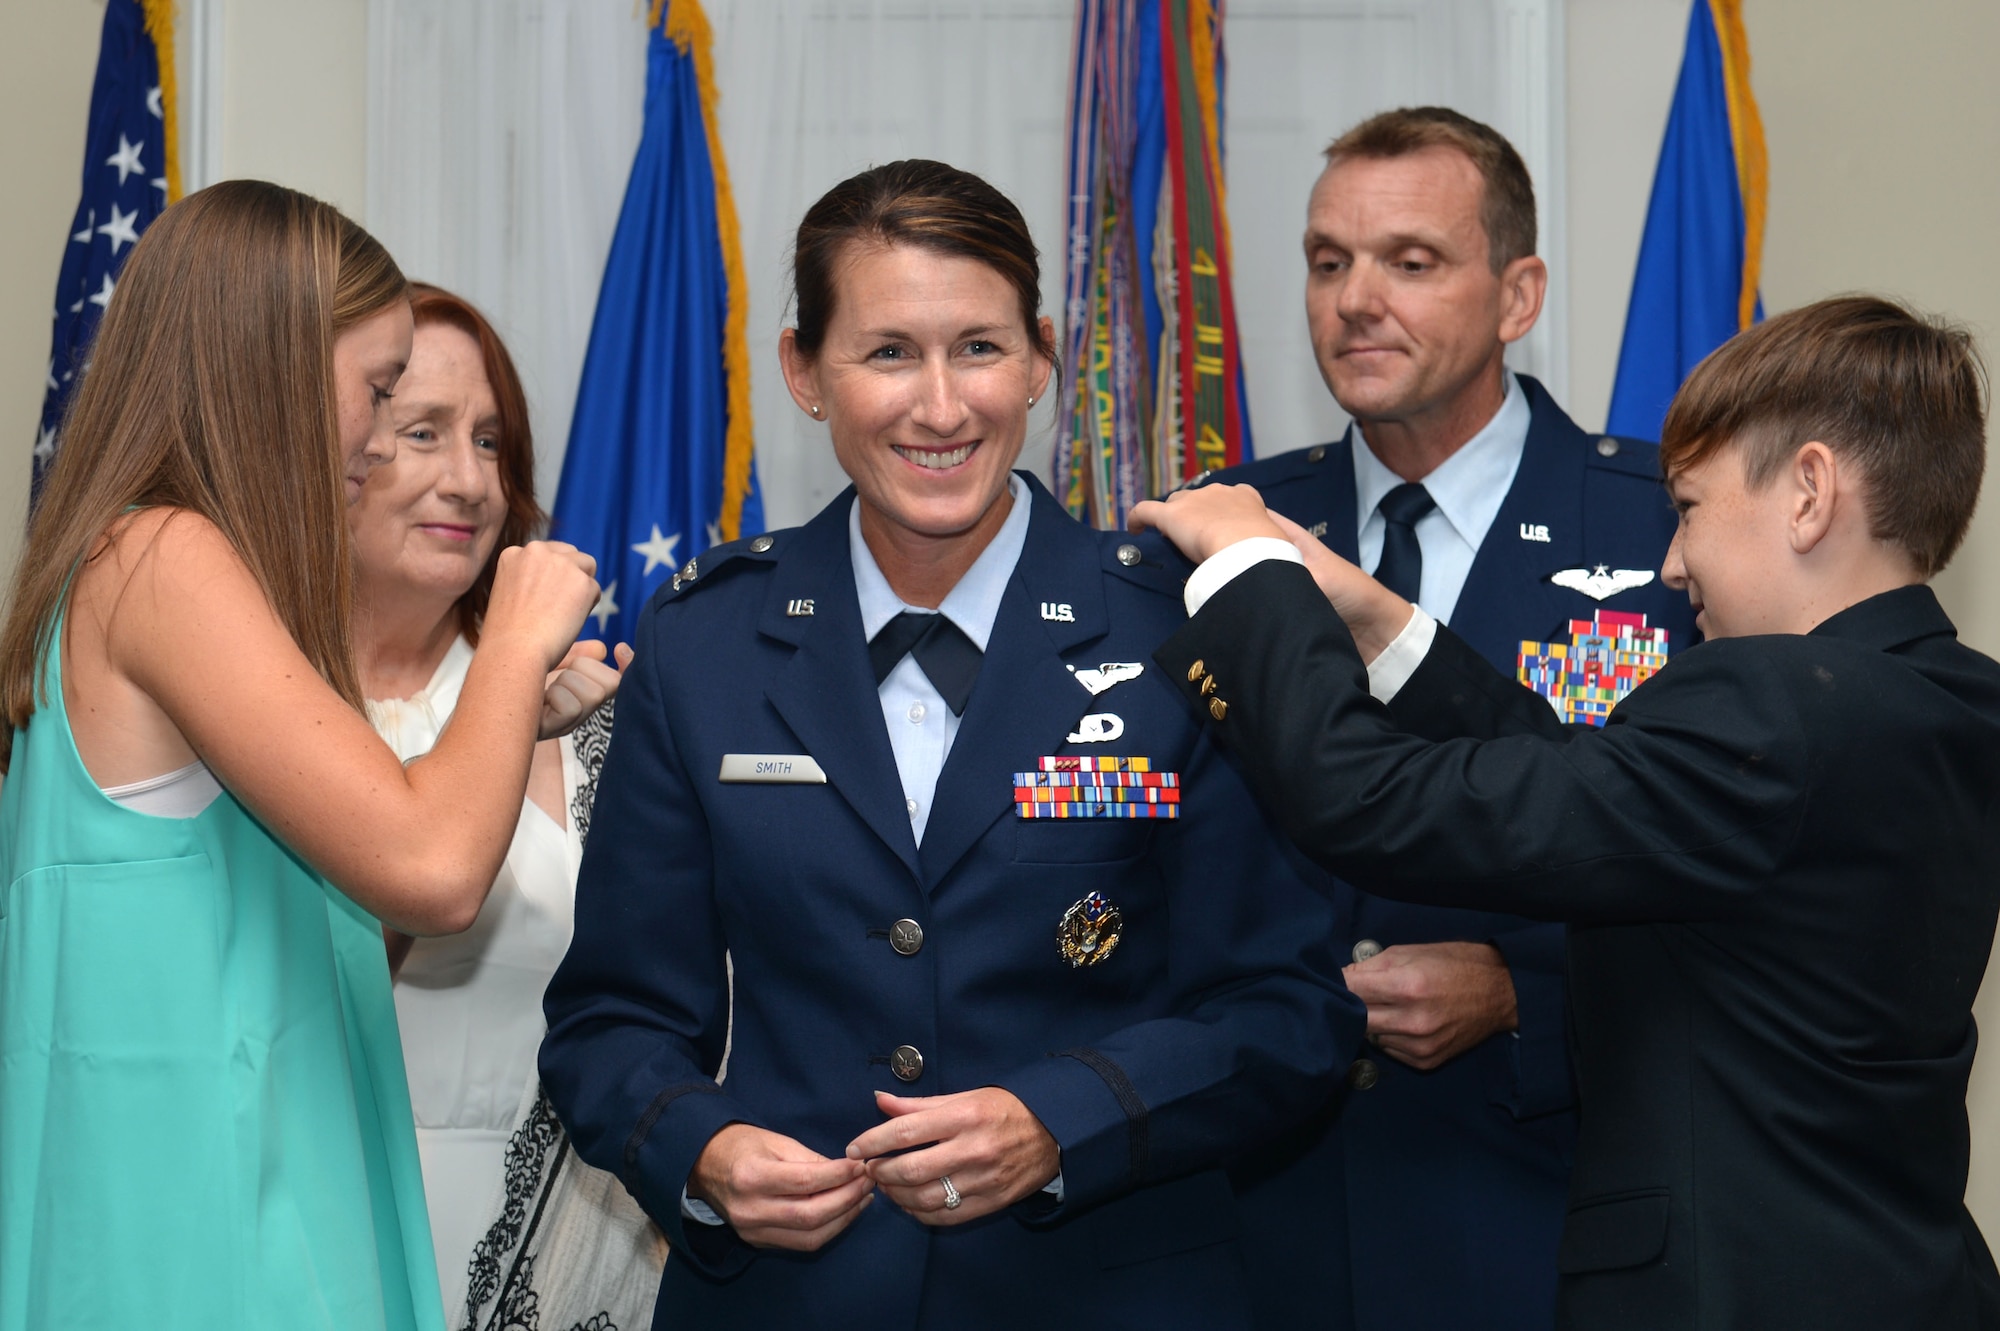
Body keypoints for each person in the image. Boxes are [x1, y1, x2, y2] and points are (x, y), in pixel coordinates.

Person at [538, 158, 1359, 1331]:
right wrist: (702, 1148)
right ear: (803, 373)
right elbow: (610, 1021)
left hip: (1099, 1289)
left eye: (976, 348)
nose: (938, 406)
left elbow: (1291, 1011)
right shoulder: (705, 643)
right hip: (788, 1301)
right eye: (886, 353)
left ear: (1039, 358)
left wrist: (1062, 1119)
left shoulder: (1185, 629)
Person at [1133, 295, 2000, 1328]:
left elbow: (1363, 800)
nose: (1670, 564)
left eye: (1684, 507)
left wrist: (1246, 571)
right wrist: (1382, 623)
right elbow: (1599, 795)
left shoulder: (1767, 699)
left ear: (1807, 493)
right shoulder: (1945, 698)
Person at [0, 180, 605, 1331]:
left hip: (230, 1208)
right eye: (378, 391)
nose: (380, 440)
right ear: (272, 363)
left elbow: (324, 945)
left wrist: (494, 730)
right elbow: (433, 866)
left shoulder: (142, 562)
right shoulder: (165, 555)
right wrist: (516, 638)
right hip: (204, 1232)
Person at [1195, 106, 1695, 1330]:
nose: (1355, 299)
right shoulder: (1230, 531)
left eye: (1409, 261)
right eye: (1327, 262)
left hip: (1541, 1210)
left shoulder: (1660, 535)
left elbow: (1758, 879)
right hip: (1262, 1219)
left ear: (1516, 293)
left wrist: (1537, 988)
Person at [348, 282, 648, 1324]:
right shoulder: (261, 716)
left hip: (571, 1253)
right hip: (319, 1228)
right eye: (421, 430)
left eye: (492, 441)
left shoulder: (591, 712)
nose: (469, 480)